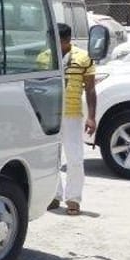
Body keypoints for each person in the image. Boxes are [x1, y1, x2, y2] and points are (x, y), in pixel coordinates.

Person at [41, 22, 97, 215]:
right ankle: (54, 195)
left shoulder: (83, 58)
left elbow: (90, 89)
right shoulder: (44, 57)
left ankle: (73, 198)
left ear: (66, 40)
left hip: (72, 115)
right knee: (51, 158)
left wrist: (91, 117)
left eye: (57, 40)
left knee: (75, 158)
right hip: (50, 115)